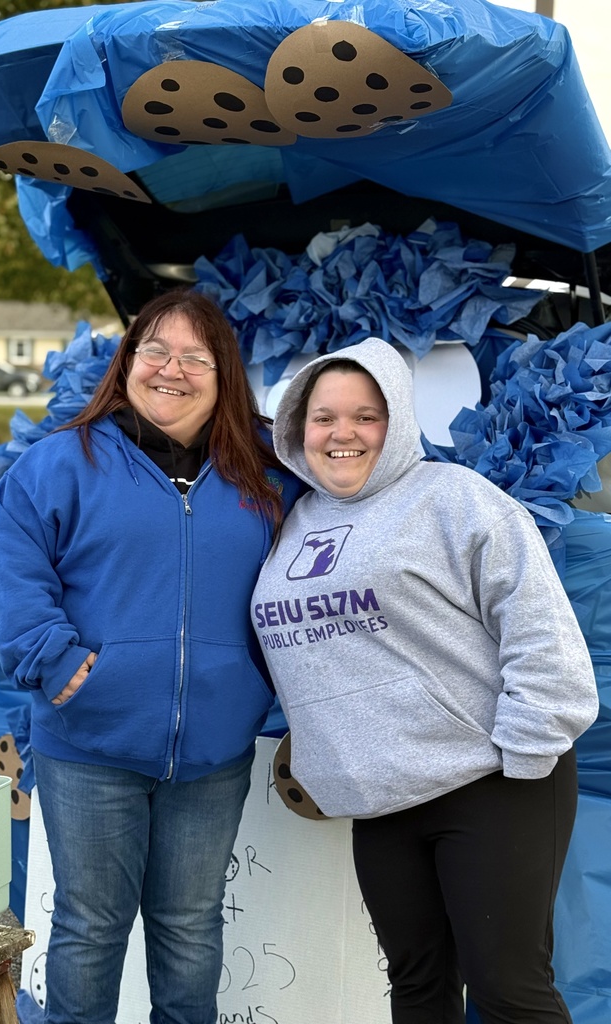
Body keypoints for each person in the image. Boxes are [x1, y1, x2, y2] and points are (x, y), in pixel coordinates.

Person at [0, 288, 303, 1024]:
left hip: (214, 754)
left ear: (224, 376)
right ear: (126, 364)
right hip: (88, 743)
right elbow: (11, 563)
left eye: (196, 356)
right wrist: (54, 663)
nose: (172, 369)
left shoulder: (266, 476)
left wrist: (272, 693)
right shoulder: (65, 463)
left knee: (190, 930)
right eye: (154, 350)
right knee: (90, 932)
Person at [251, 337, 599, 1024]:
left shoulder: (455, 499)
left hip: (490, 782)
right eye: (323, 417)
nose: (342, 433)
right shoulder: (294, 523)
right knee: (417, 990)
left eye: (365, 415)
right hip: (381, 800)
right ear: (296, 427)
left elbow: (540, 629)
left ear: (398, 423)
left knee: (508, 992)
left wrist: (525, 753)